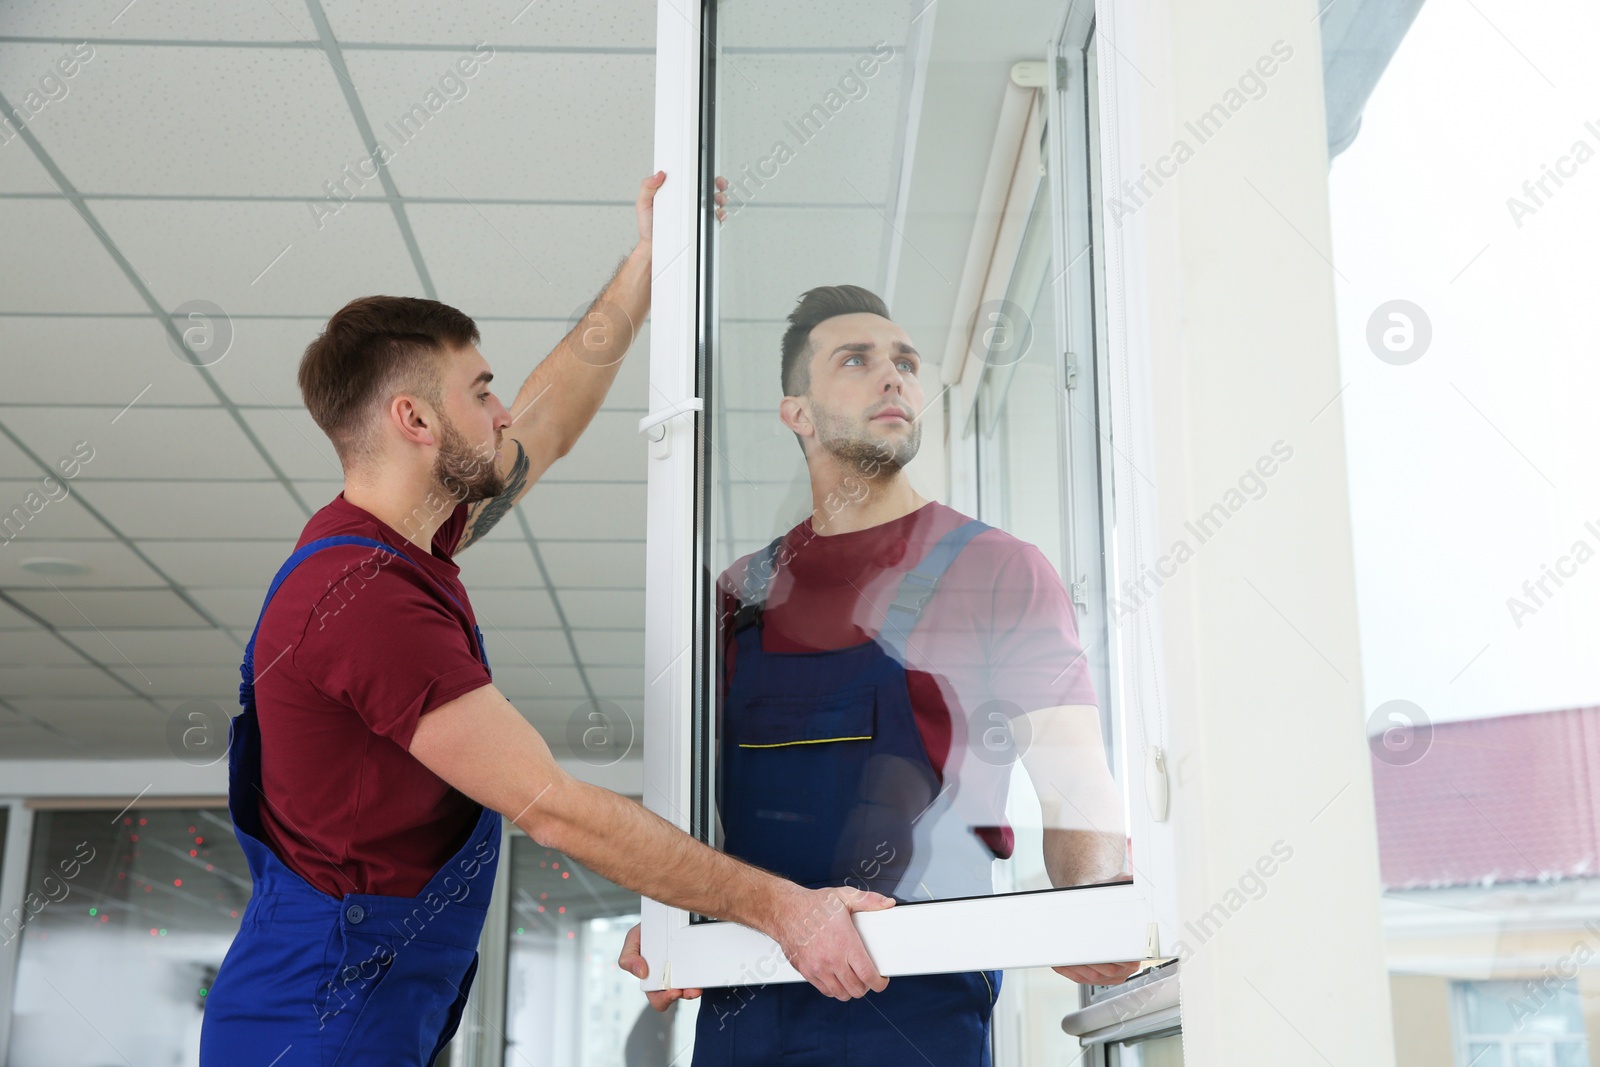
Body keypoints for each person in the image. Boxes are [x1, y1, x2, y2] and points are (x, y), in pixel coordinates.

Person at [199, 174, 897, 1067]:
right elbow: (555, 810)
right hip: (311, 1027)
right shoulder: (363, 601)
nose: (500, 413)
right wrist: (788, 911)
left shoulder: (399, 542)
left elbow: (551, 420)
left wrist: (650, 260)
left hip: (363, 1006)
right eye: (480, 391)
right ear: (414, 419)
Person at [618, 283, 1143, 1065]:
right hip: (748, 1005)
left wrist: (1094, 905)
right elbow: (702, 818)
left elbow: (1077, 786)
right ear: (796, 411)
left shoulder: (998, 570)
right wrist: (668, 918)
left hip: (919, 1003)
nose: (892, 376)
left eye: (904, 361)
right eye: (855, 361)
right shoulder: (737, 597)